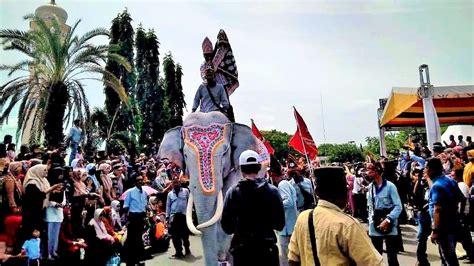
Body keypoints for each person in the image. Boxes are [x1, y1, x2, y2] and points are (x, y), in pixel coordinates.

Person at [288, 167, 383, 266]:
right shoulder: (347, 225)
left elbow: (293, 259)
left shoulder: (303, 218)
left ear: (317, 193)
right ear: (343, 192)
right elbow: (373, 263)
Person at [221, 150, 285, 266]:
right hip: (267, 251)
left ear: (241, 168)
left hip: (242, 252)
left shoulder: (233, 192)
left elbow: (227, 227)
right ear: (259, 167)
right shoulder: (273, 191)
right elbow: (280, 225)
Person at [426, 157, 464, 266]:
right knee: (448, 256)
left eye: (427, 168)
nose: (425, 170)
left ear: (431, 170)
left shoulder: (437, 186)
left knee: (448, 257)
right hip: (454, 223)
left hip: (444, 228)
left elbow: (438, 209)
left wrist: (435, 230)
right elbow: (461, 198)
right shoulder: (450, 180)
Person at [366, 162, 402, 266]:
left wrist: (388, 219)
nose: (367, 173)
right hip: (375, 224)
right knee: (376, 257)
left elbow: (398, 206)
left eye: (370, 171)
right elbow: (370, 207)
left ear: (376, 171)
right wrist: (370, 223)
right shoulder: (370, 187)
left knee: (392, 257)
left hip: (389, 224)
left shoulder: (390, 187)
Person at [22, 165, 63, 241]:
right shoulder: (32, 183)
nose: (46, 171)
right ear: (38, 171)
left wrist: (53, 190)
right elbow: (37, 196)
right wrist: (51, 189)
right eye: (44, 170)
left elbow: (45, 192)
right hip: (32, 211)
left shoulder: (44, 180)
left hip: (40, 210)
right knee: (31, 233)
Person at [268, 158, 297, 266]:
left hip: (287, 228)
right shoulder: (285, 183)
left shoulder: (282, 184)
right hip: (289, 226)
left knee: (286, 257)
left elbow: (288, 202)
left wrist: (273, 206)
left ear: (273, 174)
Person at [123, 175, 148, 266]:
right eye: (138, 180)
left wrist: (146, 215)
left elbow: (145, 205)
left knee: (139, 239)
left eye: (141, 180)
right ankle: (131, 261)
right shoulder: (130, 192)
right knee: (132, 239)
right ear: (135, 182)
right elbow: (126, 206)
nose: (141, 181)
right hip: (133, 217)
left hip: (141, 216)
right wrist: (127, 219)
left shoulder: (144, 192)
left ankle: (138, 259)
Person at [452, 167, 474, 263]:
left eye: (453, 175)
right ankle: (469, 254)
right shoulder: (457, 185)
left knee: (465, 238)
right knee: (460, 237)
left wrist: (460, 216)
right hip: (459, 215)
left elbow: (463, 201)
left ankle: (471, 255)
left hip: (463, 215)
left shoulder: (462, 185)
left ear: (458, 175)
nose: (451, 177)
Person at [166, 178, 190, 259]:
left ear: (180, 183)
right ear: (172, 184)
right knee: (175, 236)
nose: (176, 184)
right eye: (174, 183)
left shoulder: (186, 191)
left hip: (184, 216)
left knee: (185, 235)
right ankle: (178, 251)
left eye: (177, 182)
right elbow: (168, 206)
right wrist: (167, 217)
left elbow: (190, 202)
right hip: (174, 217)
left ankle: (187, 248)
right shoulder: (170, 194)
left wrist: (191, 214)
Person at [412, 167, 431, 266]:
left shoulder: (434, 183)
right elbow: (415, 193)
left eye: (425, 172)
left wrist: (428, 179)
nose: (423, 174)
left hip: (434, 212)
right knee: (421, 236)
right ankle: (422, 259)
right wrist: (419, 180)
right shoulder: (421, 182)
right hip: (423, 213)